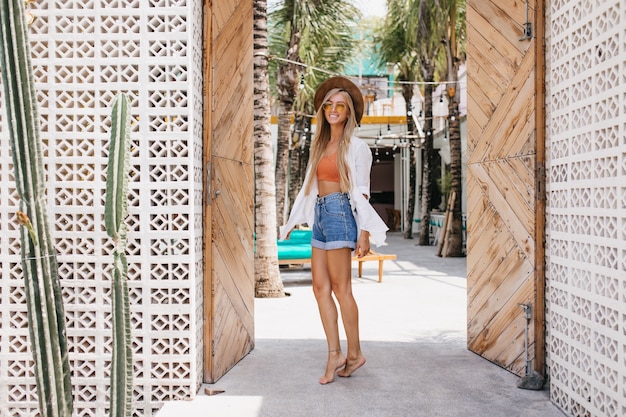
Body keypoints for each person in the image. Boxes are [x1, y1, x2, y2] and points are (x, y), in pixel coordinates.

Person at [279, 76, 388, 385]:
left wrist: (364, 232)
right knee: (319, 289)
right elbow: (308, 190)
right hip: (321, 215)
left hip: (341, 213)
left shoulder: (357, 146)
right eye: (330, 104)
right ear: (324, 109)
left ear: (349, 111)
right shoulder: (320, 144)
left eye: (341, 105)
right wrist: (291, 223)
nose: (334, 109)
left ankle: (354, 354)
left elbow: (362, 191)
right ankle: (335, 353)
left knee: (342, 290)